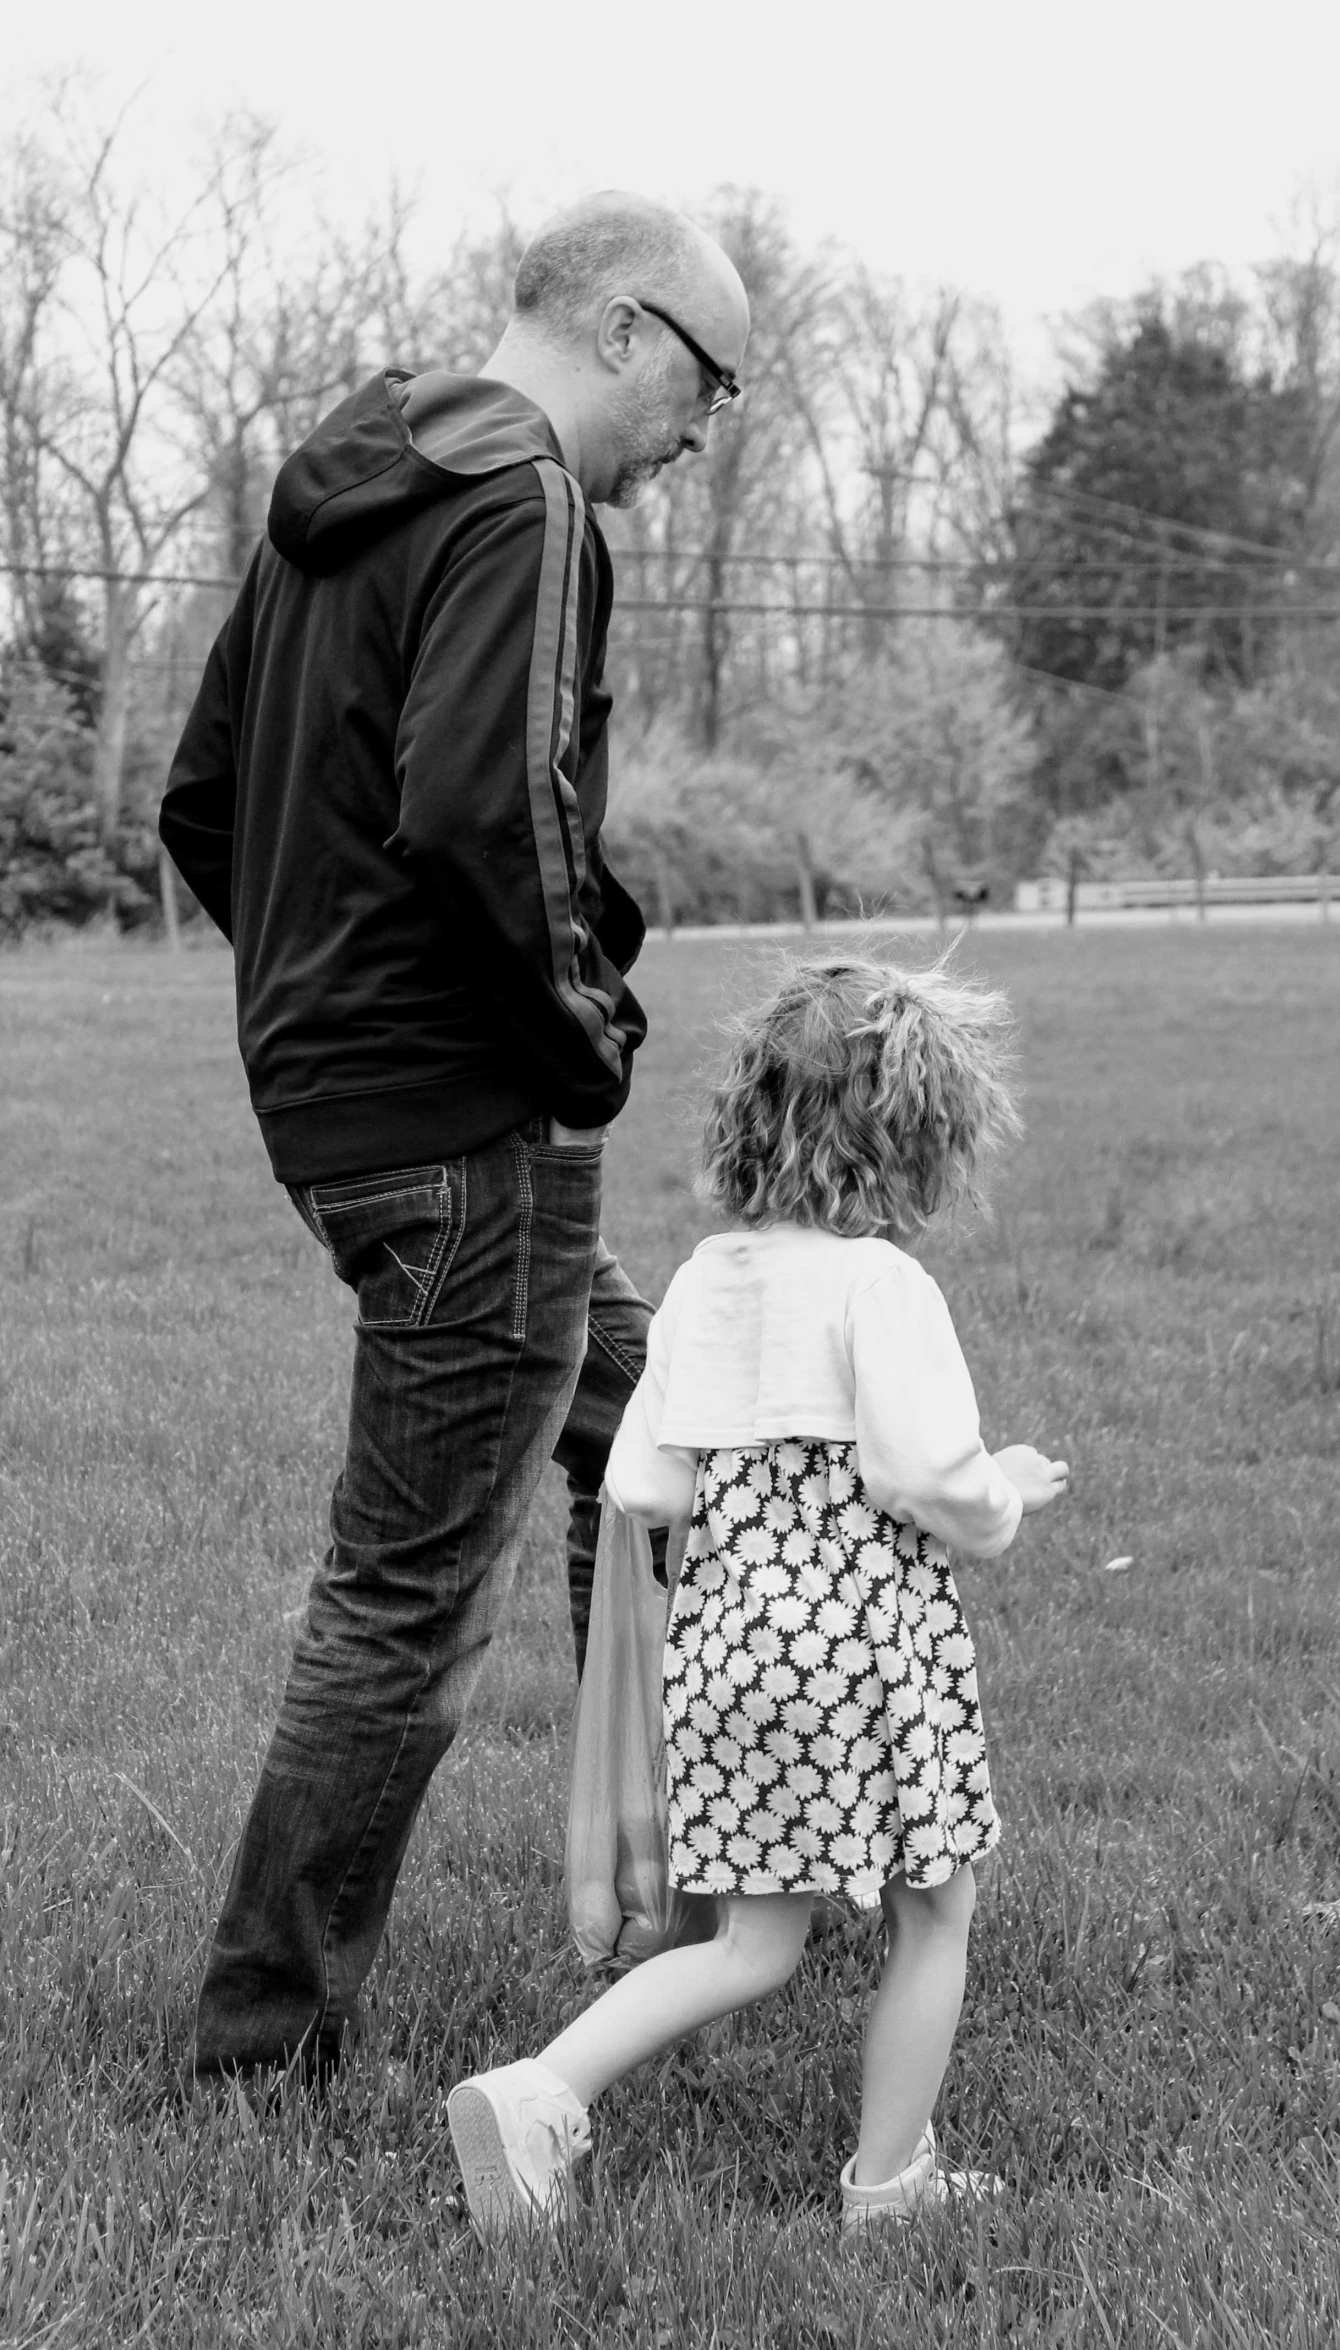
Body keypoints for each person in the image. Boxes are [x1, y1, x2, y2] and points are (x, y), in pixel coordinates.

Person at [158, 193, 750, 2084]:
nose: (699, 433)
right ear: (631, 330)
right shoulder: (521, 500)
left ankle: (683, 1872)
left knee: (652, 1412)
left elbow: (202, 804)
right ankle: (260, 2043)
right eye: (708, 387)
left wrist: (331, 1013)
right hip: (464, 1121)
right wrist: (586, 1045)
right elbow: (489, 811)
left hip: (357, 1101)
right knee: (407, 1596)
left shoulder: (349, 483)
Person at [445, 956, 1069, 2240]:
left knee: (749, 1943)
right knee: (933, 1906)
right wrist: (1000, 1492)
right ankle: (889, 2186)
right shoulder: (879, 1285)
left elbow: (641, 1479)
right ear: (917, 1138)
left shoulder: (708, 1276)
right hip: (865, 1652)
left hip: (726, 1647)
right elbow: (921, 1472)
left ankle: (539, 2091)